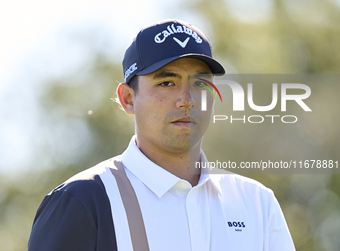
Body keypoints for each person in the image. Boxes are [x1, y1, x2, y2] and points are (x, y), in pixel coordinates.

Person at [28, 19, 296, 251]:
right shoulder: (83, 201)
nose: (186, 100)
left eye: (200, 83)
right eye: (166, 82)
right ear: (128, 98)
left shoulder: (257, 202)